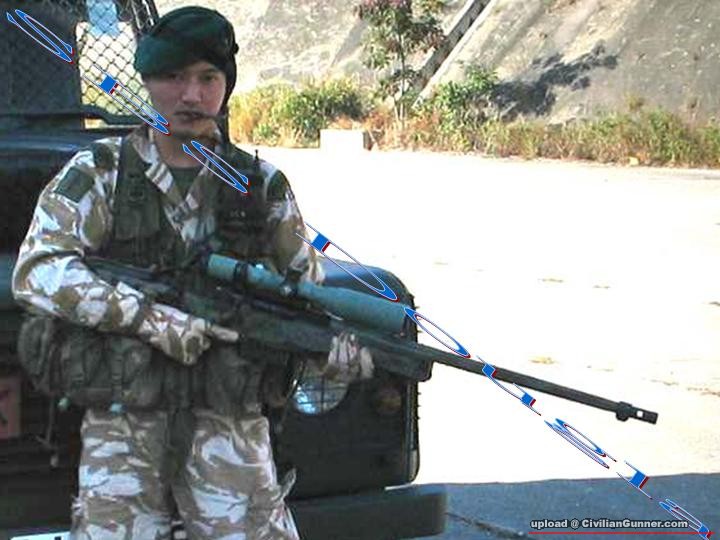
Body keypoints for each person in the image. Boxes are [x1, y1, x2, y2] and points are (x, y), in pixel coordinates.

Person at [12, 6, 373, 539]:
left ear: (226, 84)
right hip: (124, 430)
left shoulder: (260, 186)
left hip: (231, 427)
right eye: (173, 77)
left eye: (208, 78)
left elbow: (306, 300)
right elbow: (39, 271)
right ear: (147, 81)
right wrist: (147, 318)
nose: (192, 95)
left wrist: (332, 363)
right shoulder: (101, 173)